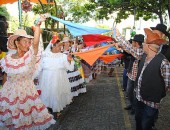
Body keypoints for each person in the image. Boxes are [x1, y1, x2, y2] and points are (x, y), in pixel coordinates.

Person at [0, 14, 56, 129]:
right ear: (17, 43)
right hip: (9, 95)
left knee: (27, 121)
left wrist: (38, 24)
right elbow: (6, 76)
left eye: (29, 41)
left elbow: (35, 44)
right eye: (25, 41)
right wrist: (4, 93)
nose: (28, 44)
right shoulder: (7, 59)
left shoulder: (30, 57)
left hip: (27, 93)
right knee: (12, 121)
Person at [38, 39, 74, 116]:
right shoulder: (44, 55)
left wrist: (69, 60)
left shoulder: (63, 56)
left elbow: (70, 68)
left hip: (59, 79)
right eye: (59, 46)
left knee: (57, 93)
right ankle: (47, 108)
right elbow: (39, 68)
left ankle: (57, 109)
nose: (61, 48)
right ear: (53, 46)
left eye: (61, 46)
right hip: (47, 79)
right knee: (47, 93)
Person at [124, 34, 144, 115]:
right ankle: (132, 105)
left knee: (136, 94)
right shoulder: (135, 49)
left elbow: (129, 48)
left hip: (137, 77)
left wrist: (119, 37)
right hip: (131, 75)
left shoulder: (141, 51)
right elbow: (128, 49)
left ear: (136, 42)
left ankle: (135, 107)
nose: (131, 42)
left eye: (132, 41)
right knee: (129, 91)